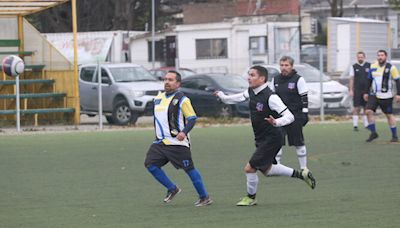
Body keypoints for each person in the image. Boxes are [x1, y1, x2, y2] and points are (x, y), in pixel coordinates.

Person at [215, 65, 316, 206]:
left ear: (262, 79)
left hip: (272, 138)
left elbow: (290, 116)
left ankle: (251, 198)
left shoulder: (271, 97)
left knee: (249, 168)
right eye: (248, 75)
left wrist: (276, 122)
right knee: (267, 170)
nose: (249, 77)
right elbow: (237, 98)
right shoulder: (251, 91)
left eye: (252, 75)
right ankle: (301, 175)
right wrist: (223, 97)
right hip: (261, 138)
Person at [144, 70, 213, 207]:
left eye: (170, 80)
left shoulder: (182, 99)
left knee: (189, 169)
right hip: (160, 142)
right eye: (165, 79)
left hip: (177, 143)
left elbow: (192, 119)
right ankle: (172, 188)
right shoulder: (158, 98)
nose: (167, 82)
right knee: (150, 164)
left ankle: (204, 197)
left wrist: (184, 132)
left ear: (178, 84)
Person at [269, 56, 310, 170]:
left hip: (295, 115)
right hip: (280, 116)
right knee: (277, 141)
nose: (284, 68)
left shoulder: (298, 79)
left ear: (292, 66)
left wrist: (305, 113)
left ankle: (303, 167)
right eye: (282, 65)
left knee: (298, 142)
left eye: (286, 65)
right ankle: (276, 166)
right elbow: (271, 96)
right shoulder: (275, 80)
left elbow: (304, 97)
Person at [364, 50, 400, 142]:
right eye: (378, 55)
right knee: (368, 111)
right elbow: (369, 80)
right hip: (374, 94)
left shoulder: (391, 67)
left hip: (387, 96)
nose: (380, 57)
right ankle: (373, 133)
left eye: (382, 55)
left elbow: (398, 81)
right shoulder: (372, 66)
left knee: (389, 115)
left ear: (386, 57)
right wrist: (366, 92)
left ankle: (394, 136)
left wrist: (398, 94)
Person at [348, 51, 370, 131]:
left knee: (366, 108)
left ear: (364, 57)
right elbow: (351, 79)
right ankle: (355, 125)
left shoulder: (369, 65)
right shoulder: (353, 66)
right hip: (357, 90)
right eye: (359, 57)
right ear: (357, 57)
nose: (360, 58)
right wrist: (351, 90)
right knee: (356, 108)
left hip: (366, 91)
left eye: (361, 57)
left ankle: (366, 124)